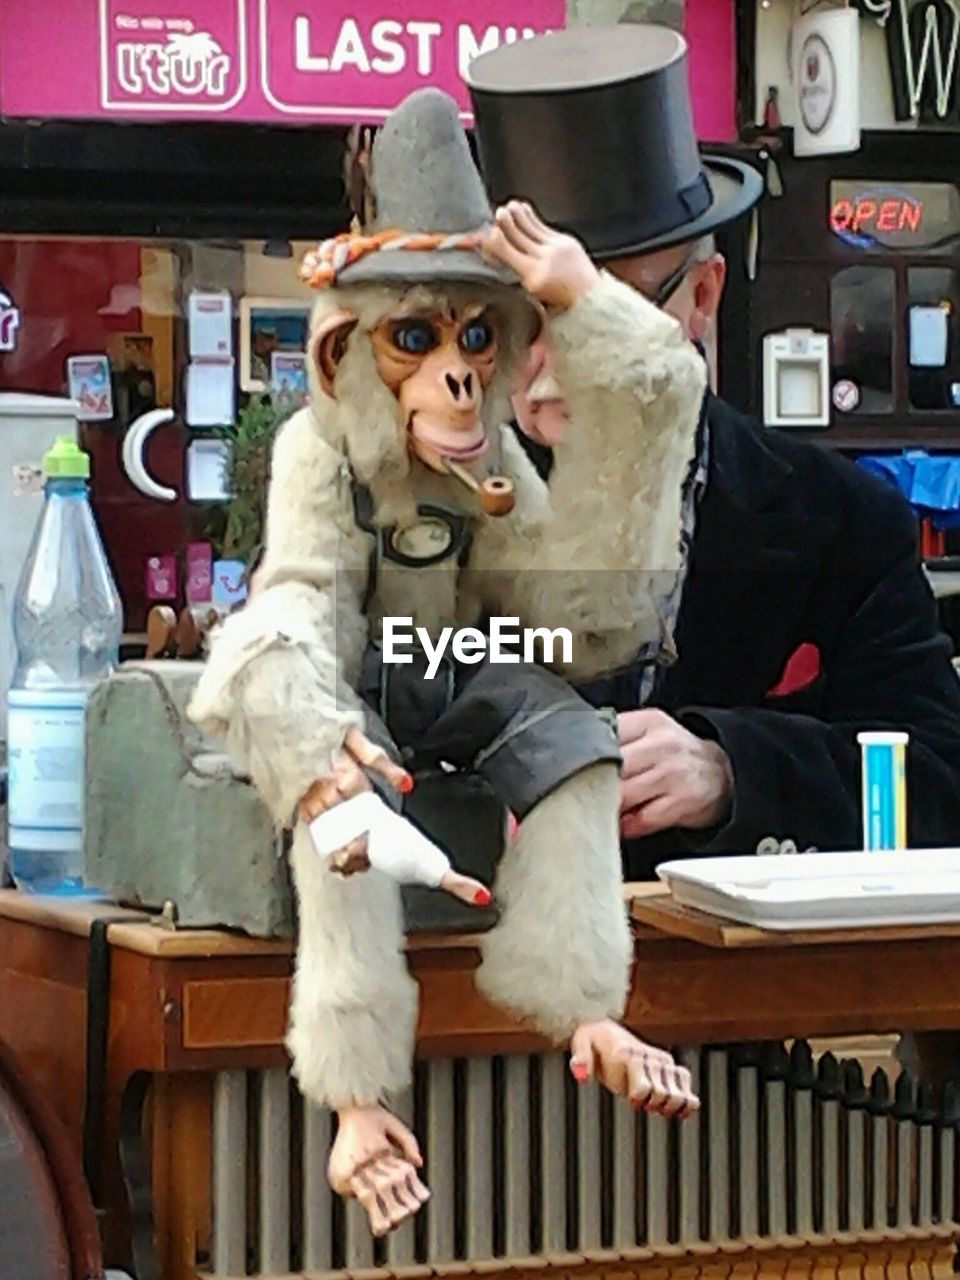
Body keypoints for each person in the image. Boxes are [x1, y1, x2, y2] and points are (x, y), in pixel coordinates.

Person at [465, 24, 960, 879]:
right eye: (516, 321)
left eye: (598, 317)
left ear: (701, 298)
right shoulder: (419, 515)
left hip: (726, 1002)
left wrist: (734, 768)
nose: (546, 365)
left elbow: (939, 781)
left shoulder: (838, 524)